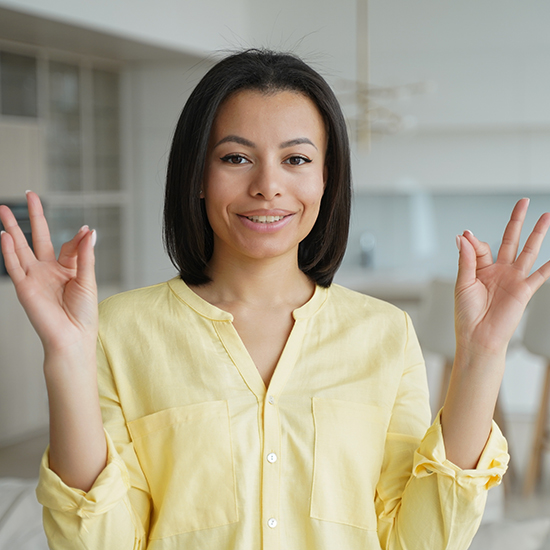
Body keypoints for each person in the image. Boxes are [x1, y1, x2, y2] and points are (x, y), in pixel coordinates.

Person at [0, 49, 549, 550]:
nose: (268, 186)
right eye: (236, 158)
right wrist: (68, 358)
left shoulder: (386, 333)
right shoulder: (120, 331)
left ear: (327, 178)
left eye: (297, 159)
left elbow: (420, 541)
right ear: (197, 175)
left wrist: (482, 354)